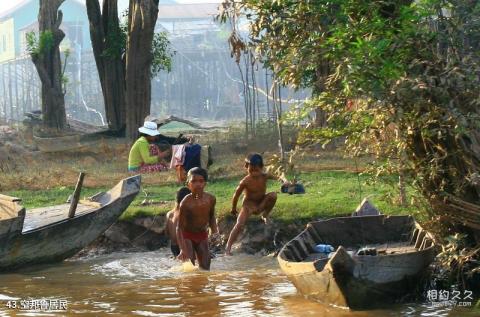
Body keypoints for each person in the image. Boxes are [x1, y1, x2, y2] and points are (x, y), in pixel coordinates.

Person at [225, 153, 287, 256]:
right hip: (249, 205)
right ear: (246, 167)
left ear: (262, 168)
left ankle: (265, 215)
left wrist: (285, 181)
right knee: (239, 224)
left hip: (261, 203)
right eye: (251, 170)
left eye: (256, 170)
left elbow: (279, 178)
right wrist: (233, 208)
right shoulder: (245, 181)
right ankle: (228, 248)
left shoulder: (265, 176)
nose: (254, 173)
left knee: (273, 195)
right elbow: (236, 196)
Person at [176, 167, 218, 270]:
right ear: (188, 184)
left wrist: (215, 232)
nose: (197, 184)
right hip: (187, 236)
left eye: (201, 181)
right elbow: (179, 228)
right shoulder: (185, 203)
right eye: (194, 181)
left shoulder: (210, 199)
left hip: (202, 235)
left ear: (205, 183)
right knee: (190, 265)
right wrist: (182, 249)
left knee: (206, 266)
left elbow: (211, 217)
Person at [164, 186, 191, 257]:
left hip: (173, 247)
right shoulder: (186, 213)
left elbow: (166, 233)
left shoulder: (169, 214)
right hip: (184, 247)